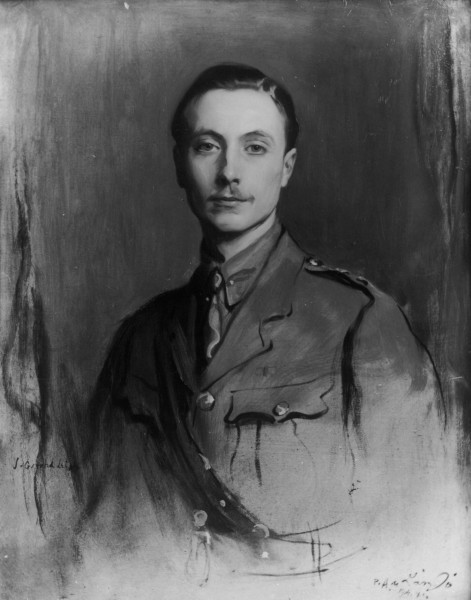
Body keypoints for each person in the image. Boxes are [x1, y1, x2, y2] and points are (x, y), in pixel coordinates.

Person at [81, 63, 448, 581]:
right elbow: (93, 532)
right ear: (179, 164)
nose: (229, 172)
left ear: (287, 165)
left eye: (255, 147)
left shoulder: (361, 321)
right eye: (207, 146)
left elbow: (419, 529)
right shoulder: (138, 339)